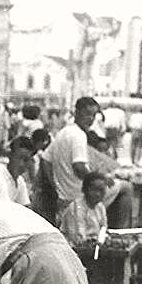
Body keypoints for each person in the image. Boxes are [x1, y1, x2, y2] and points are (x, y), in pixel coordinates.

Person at [40, 96, 99, 224]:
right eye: (87, 114)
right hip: (76, 195)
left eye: (94, 115)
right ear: (77, 113)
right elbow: (79, 167)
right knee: (125, 188)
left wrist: (55, 186)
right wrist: (97, 179)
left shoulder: (63, 132)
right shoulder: (79, 135)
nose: (91, 119)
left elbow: (45, 160)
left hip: (63, 195)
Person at [59, 171, 108, 246]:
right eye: (94, 190)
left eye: (101, 190)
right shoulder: (76, 208)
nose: (98, 194)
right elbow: (78, 239)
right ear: (84, 190)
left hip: (94, 246)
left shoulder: (100, 206)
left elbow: (103, 227)